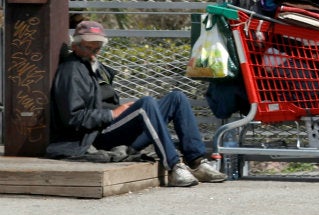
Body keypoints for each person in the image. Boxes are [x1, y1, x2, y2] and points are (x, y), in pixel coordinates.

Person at [48, 20, 227, 186]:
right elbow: (72, 117)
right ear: (75, 46)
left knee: (177, 98)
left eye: (97, 48)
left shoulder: (93, 66)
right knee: (146, 104)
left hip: (112, 128)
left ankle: (197, 161)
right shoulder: (71, 71)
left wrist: (121, 111)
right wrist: (113, 114)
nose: (94, 53)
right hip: (95, 137)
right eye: (88, 48)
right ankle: (173, 166)